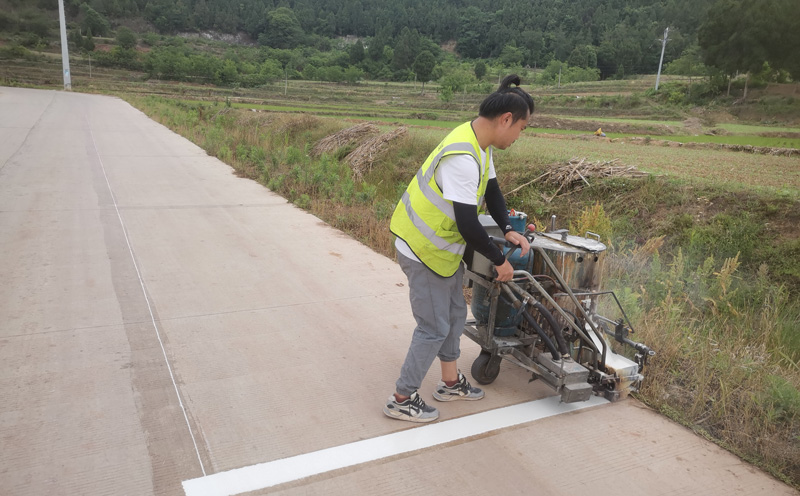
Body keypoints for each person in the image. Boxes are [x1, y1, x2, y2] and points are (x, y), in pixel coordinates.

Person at [384, 75, 533, 422]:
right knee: (432, 327)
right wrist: (500, 262)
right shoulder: (463, 157)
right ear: (506, 119)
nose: (520, 135)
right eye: (523, 128)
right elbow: (469, 224)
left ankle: (450, 383)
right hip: (422, 250)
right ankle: (402, 398)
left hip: (443, 250)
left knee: (453, 315)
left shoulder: (480, 145)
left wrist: (509, 229)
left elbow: (492, 192)